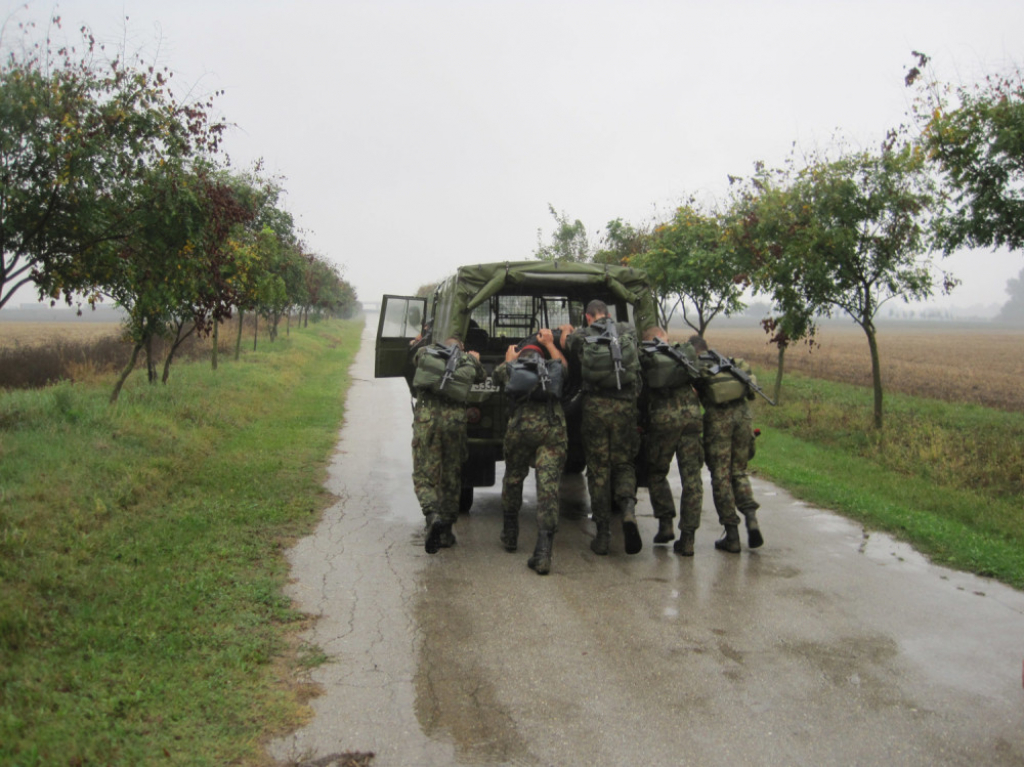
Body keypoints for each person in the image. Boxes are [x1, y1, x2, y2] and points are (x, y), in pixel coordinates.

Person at [563, 300, 643, 556]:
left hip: (595, 409)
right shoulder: (628, 332)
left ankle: (603, 534)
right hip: (625, 408)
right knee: (624, 464)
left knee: (598, 469)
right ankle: (628, 510)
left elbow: (566, 345)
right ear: (608, 314)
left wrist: (567, 331)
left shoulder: (582, 335)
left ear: (588, 317)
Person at [492, 329, 568, 575]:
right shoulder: (553, 368)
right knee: (548, 488)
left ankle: (510, 534)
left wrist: (508, 359)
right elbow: (565, 367)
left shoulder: (512, 369)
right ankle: (544, 553)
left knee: (513, 478)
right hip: (551, 431)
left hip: (520, 430)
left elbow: (495, 377)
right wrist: (551, 345)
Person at [410, 336, 485, 554]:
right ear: (461, 348)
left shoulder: (427, 353)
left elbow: (414, 356)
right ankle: (446, 532)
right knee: (452, 476)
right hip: (454, 423)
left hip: (427, 421)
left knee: (424, 474)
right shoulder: (467, 360)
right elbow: (481, 377)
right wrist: (473, 359)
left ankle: (432, 514)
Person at [690, 335, 763, 553]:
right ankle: (751, 517)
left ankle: (731, 535)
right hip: (743, 416)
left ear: (694, 351)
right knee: (739, 471)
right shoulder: (728, 362)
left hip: (718, 419)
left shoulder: (698, 366)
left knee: (721, 476)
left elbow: (692, 395)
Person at [639, 327, 704, 555]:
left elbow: (641, 393)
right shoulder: (681, 355)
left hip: (663, 420)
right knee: (692, 479)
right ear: (664, 338)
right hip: (691, 420)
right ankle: (688, 539)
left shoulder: (647, 358)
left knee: (656, 473)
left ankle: (665, 523)